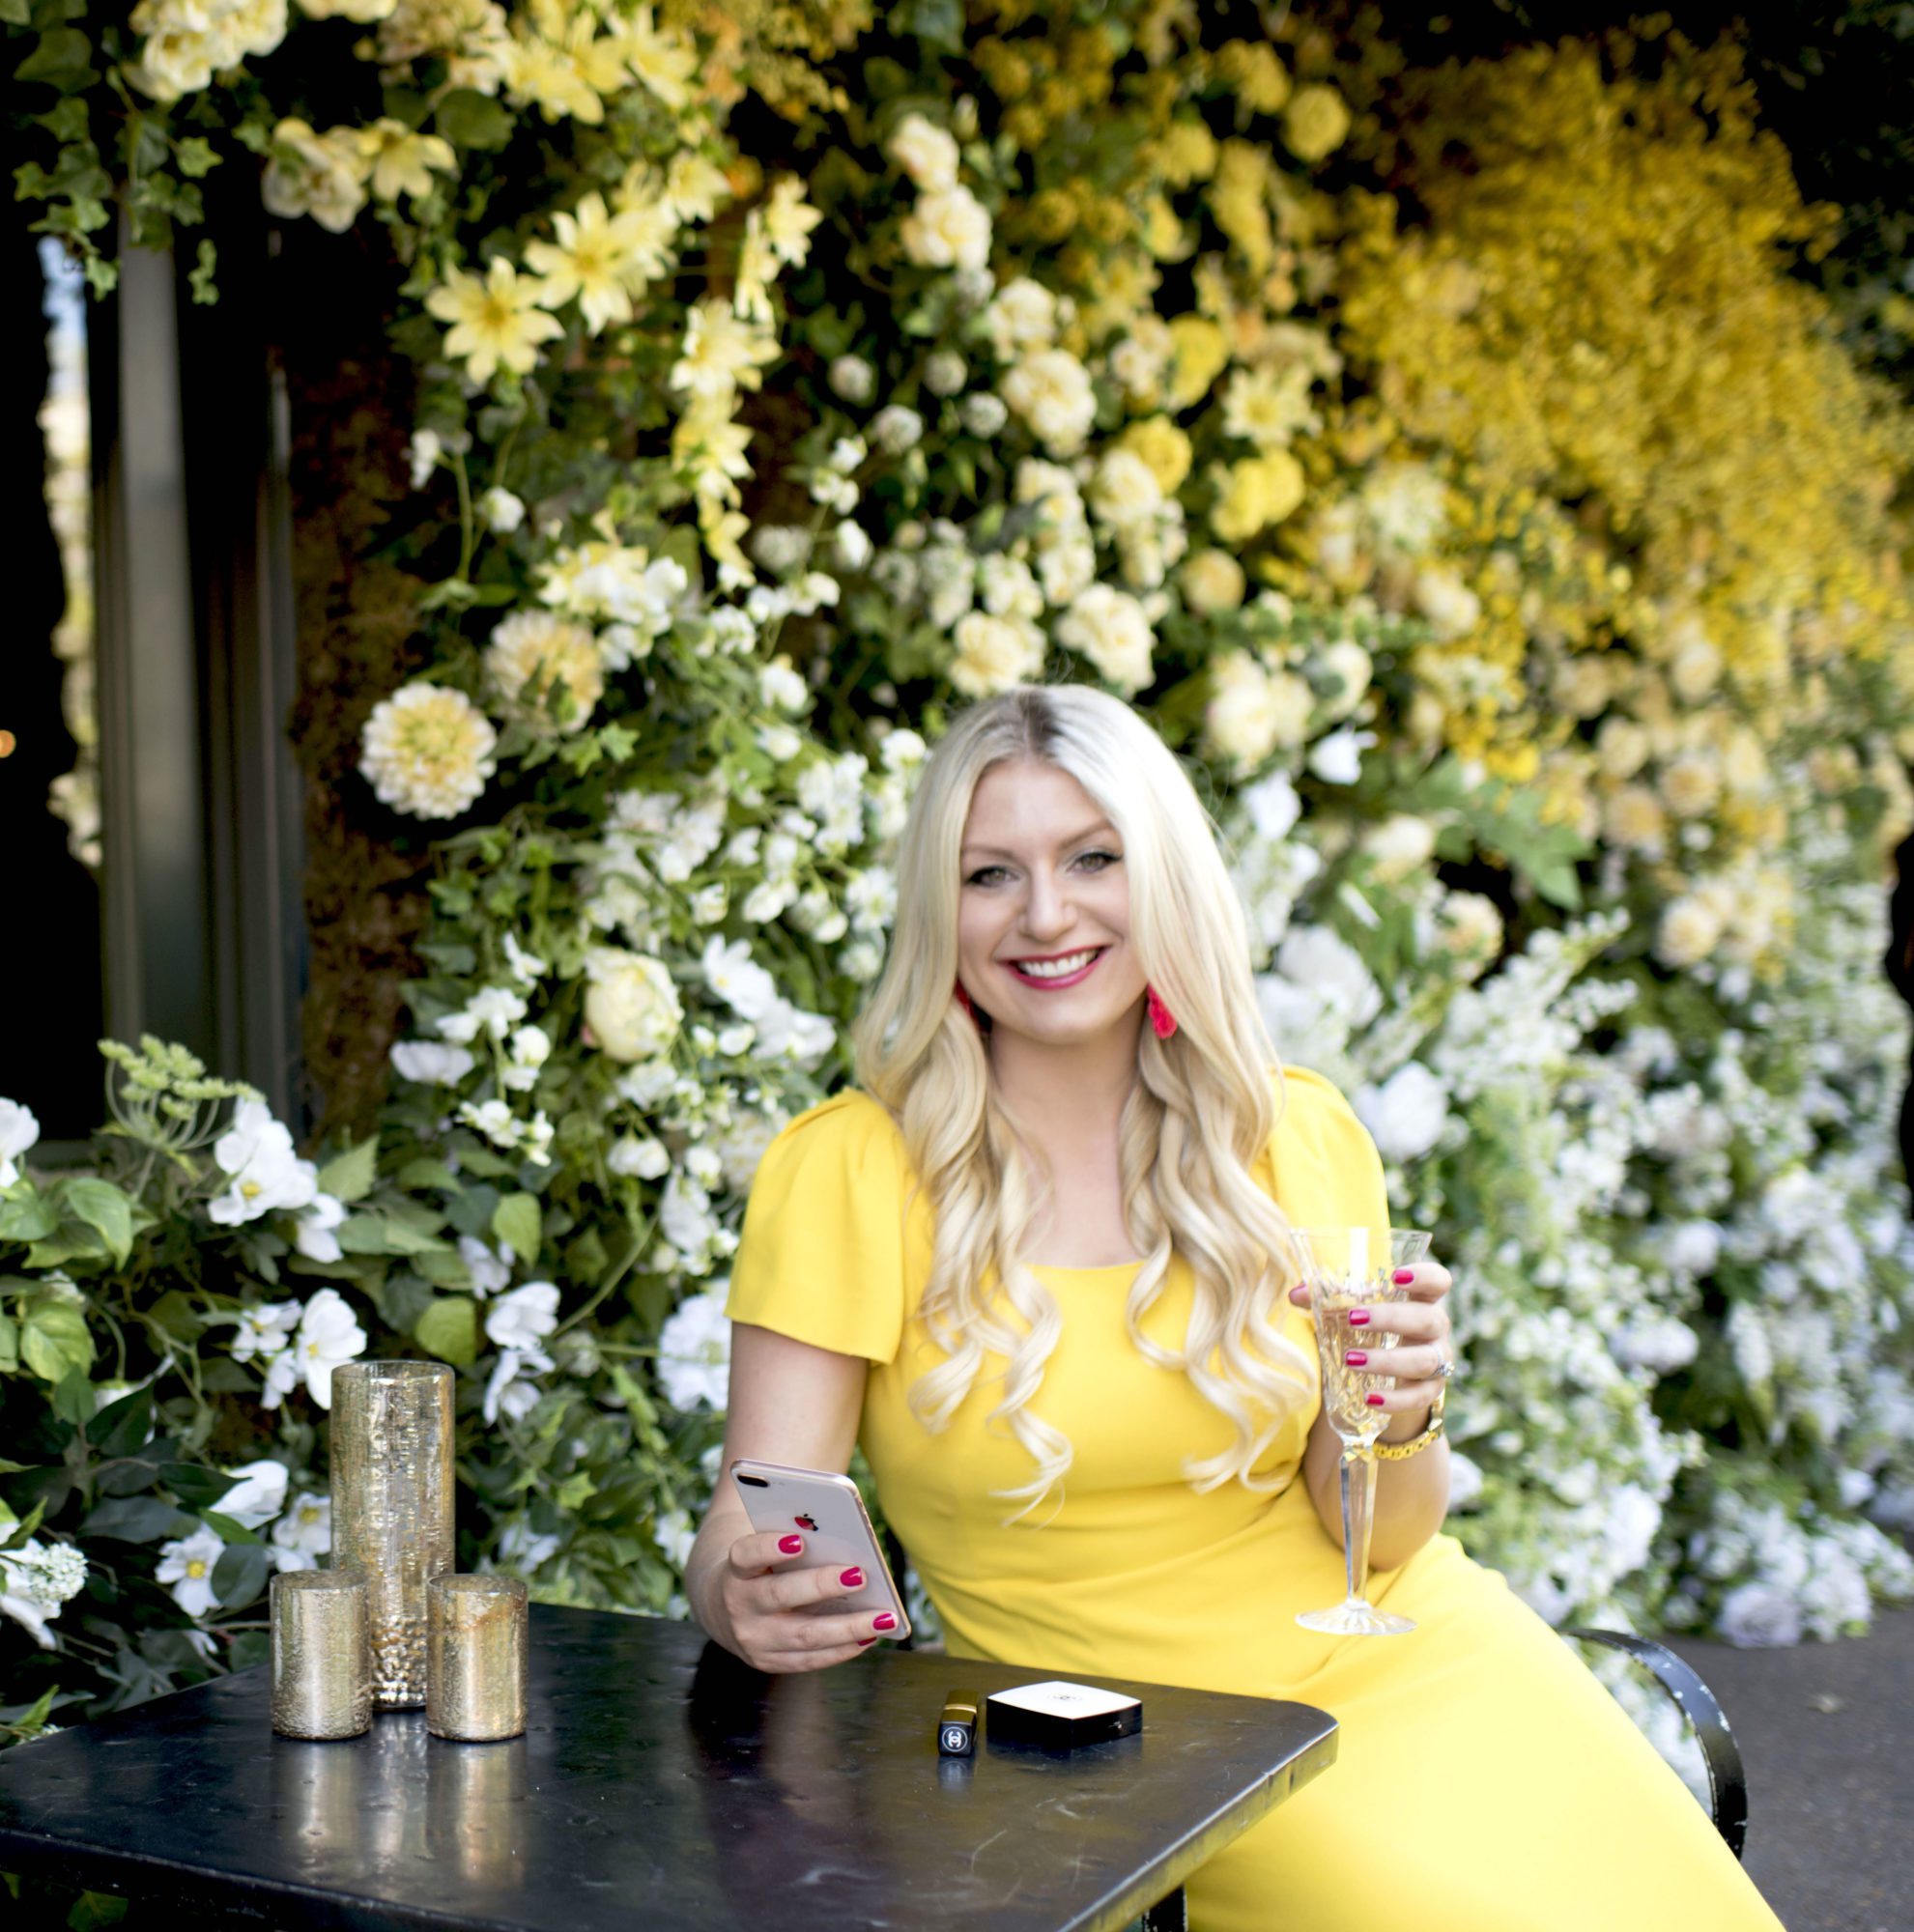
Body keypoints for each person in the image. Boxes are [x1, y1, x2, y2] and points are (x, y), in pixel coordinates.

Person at [685, 685, 1781, 1931]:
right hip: (1141, 1750)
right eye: (991, 874)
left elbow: (1384, 1536)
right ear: (942, 909)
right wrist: (747, 1601)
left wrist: (1408, 1411)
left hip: (1416, 1658)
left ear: (1164, 877)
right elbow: (744, 1527)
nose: (1047, 915)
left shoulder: (1290, 1132)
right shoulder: (850, 1170)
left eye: (1093, 859)